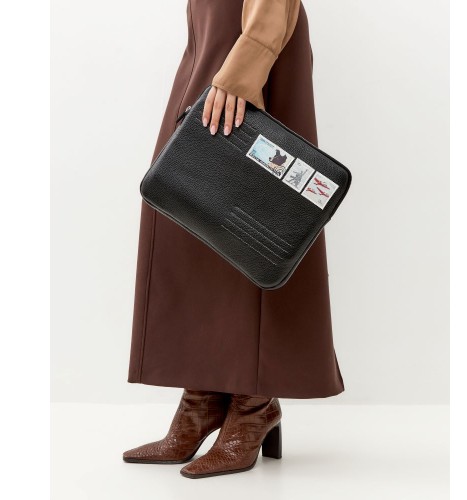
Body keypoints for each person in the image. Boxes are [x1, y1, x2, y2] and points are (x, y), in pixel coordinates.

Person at [123, 0, 345, 478]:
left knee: (257, 223)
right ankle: (203, 398)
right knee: (188, 212)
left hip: (249, 37)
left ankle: (253, 405)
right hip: (209, 40)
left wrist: (249, 62)